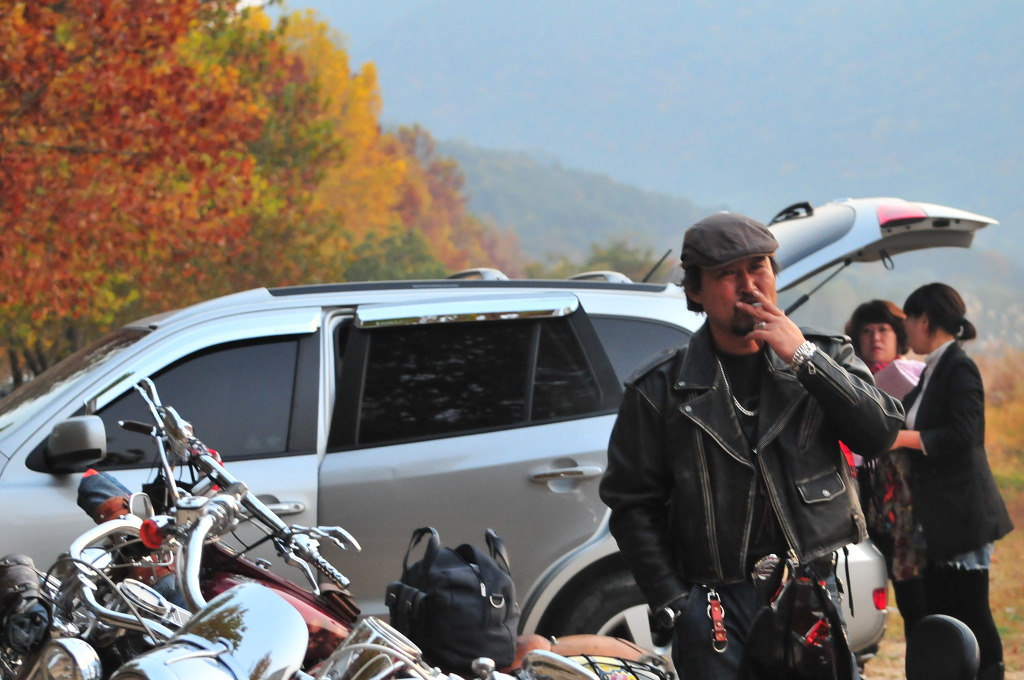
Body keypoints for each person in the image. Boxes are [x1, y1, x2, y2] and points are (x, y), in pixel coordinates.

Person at [599, 213, 904, 680]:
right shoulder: (659, 389)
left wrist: (803, 358)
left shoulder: (826, 356)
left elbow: (879, 433)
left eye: (758, 267)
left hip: (809, 591)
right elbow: (631, 504)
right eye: (727, 273)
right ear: (696, 290)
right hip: (714, 604)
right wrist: (676, 603)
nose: (749, 285)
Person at [892, 282, 1013, 680]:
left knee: (971, 611)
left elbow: (963, 434)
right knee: (947, 610)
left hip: (963, 514)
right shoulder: (933, 368)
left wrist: (902, 438)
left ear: (925, 321)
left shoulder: (959, 368)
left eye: (909, 321)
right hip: (939, 517)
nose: (906, 330)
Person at [843, 300, 928, 632]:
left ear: (899, 335)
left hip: (907, 504)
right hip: (860, 495)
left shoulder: (919, 376)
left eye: (883, 330)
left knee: (914, 600)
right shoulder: (846, 380)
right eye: (866, 331)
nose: (875, 338)